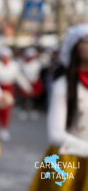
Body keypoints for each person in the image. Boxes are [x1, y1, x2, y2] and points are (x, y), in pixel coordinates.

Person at [29, 24, 88, 190]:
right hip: (68, 160)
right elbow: (55, 134)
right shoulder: (64, 84)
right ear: (75, 47)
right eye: (87, 41)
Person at [0, 46, 32, 141]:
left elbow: (19, 77)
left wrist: (27, 87)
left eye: (7, 56)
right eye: (4, 56)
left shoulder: (14, 66)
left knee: (7, 110)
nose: (5, 58)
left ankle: (4, 128)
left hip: (9, 89)